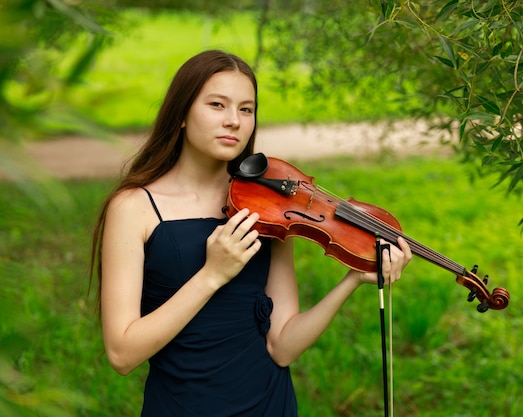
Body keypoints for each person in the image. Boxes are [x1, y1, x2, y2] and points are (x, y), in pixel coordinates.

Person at [89, 50, 412, 416]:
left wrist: (351, 280)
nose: (233, 121)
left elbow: (282, 346)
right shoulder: (134, 208)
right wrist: (212, 275)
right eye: (217, 105)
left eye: (246, 109)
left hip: (269, 404)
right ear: (181, 114)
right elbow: (121, 354)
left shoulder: (266, 206)